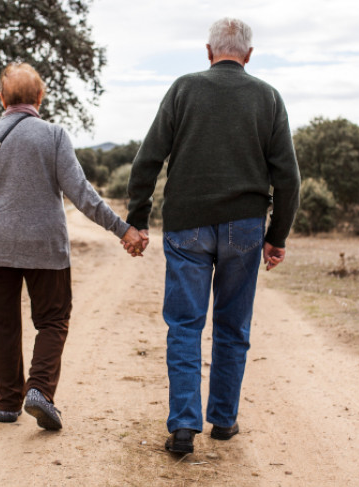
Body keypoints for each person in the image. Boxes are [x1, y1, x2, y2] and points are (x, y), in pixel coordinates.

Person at [125, 18, 301, 454]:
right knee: (232, 324)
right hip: (244, 226)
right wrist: (276, 236)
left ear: (208, 51)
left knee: (185, 324)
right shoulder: (268, 97)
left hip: (187, 223)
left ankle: (184, 427)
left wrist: (138, 218)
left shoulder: (184, 89)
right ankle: (223, 420)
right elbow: (288, 178)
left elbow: (147, 160)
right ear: (248, 55)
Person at [0, 63, 146, 431]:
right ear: (40, 97)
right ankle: (39, 390)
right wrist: (123, 230)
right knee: (53, 319)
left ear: (2, 98)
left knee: (2, 322)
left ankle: (8, 404)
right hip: (45, 244)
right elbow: (82, 194)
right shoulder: (54, 136)